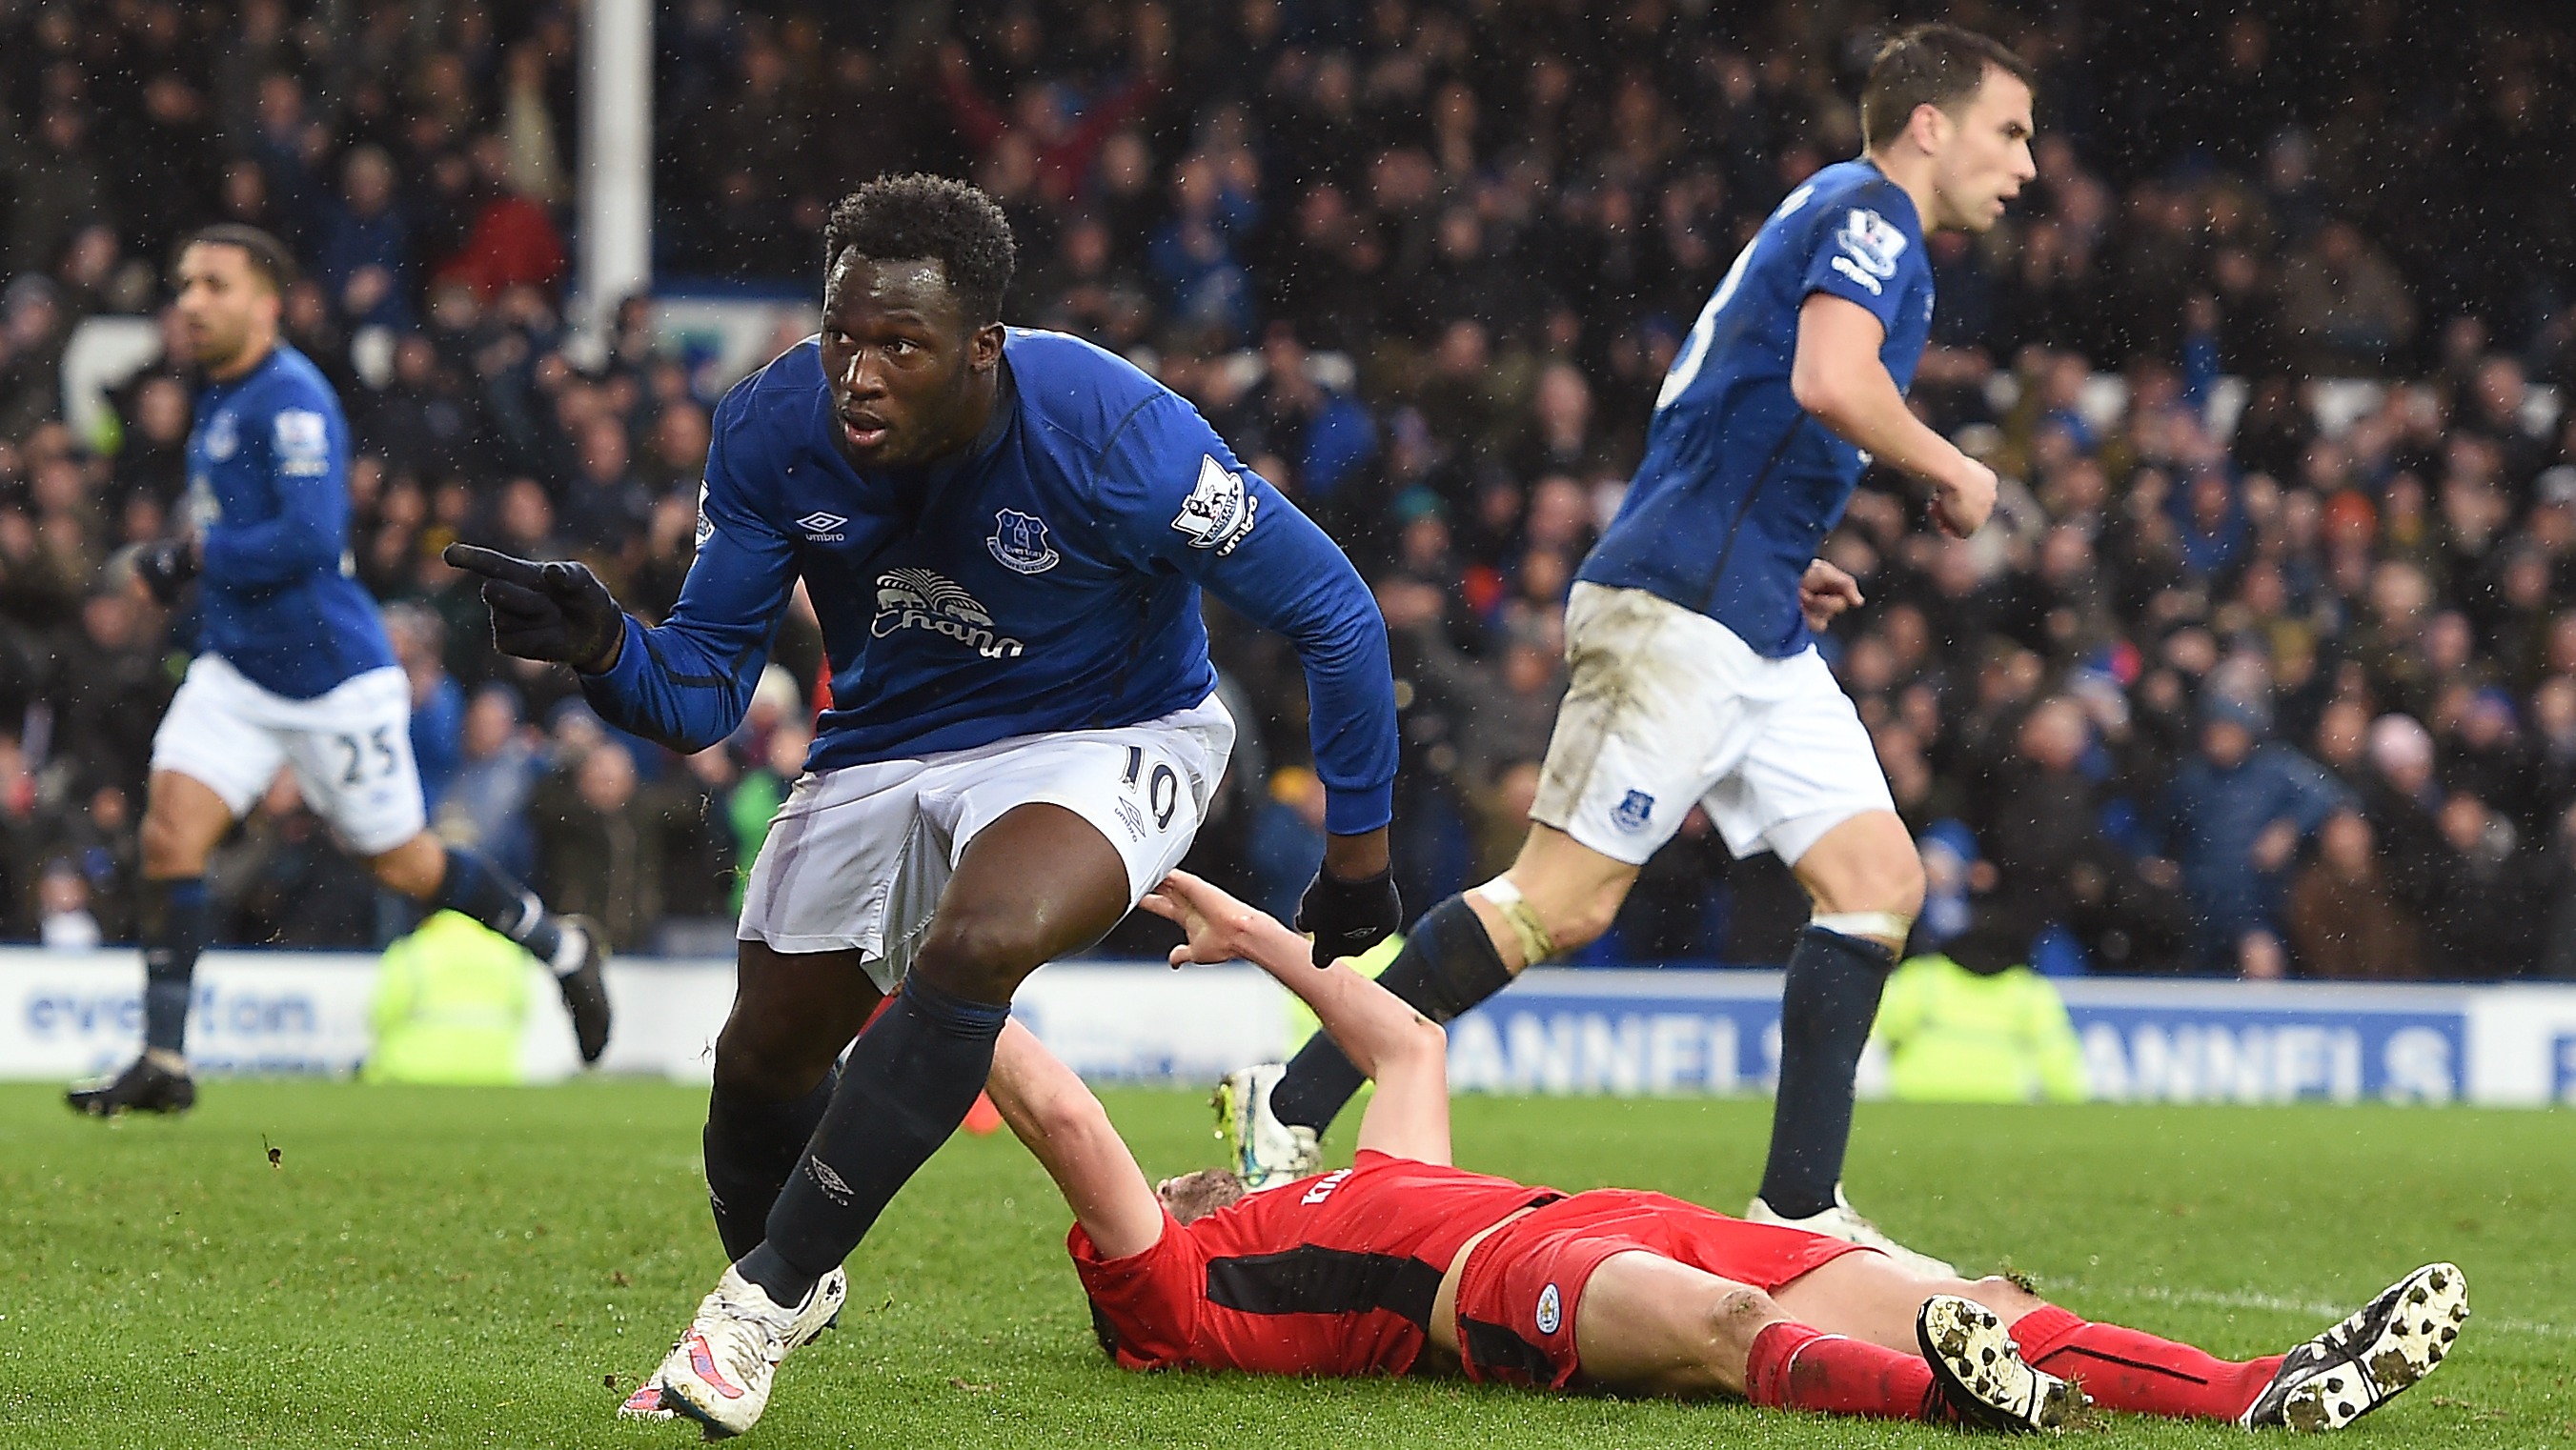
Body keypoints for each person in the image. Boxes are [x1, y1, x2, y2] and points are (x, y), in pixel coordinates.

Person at [448, 176, 1400, 1436]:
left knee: (977, 941)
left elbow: (1334, 610)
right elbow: (702, 691)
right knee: (759, 1070)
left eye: (901, 344)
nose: (858, 373)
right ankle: (799, 1264)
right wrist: (605, 647)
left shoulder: (1116, 433)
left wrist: (1357, 856)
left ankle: (754, 1306)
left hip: (1107, 730)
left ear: (982, 347)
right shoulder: (771, 427)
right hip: (884, 743)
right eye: (841, 335)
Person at [1227, 24, 2033, 1274]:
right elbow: (1828, 379)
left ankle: (1799, 1206)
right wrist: (1953, 469)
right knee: (1559, 900)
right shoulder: (1872, 213)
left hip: (1745, 608)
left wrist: (1773, 547)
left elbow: (1717, 399)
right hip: (1684, 609)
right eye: (2009, 131)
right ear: (1929, 125)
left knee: (1877, 877)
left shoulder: (1830, 213)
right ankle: (1284, 1103)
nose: (2025, 164)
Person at [947, 869, 2464, 1435]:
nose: (1181, 1171)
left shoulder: (1335, 1182)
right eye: (1163, 1182)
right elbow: (1065, 1116)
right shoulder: (1164, 1287)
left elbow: (1408, 1045)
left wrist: (1261, 935)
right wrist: (929, 969)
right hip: (1502, 1285)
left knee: (1970, 1293)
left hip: (1615, 1211)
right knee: (1729, 1330)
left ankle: (2254, 1389)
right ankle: (1968, 1406)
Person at [67, 225, 609, 1118]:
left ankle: (561, 949)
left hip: (329, 679)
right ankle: (164, 1056)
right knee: (170, 834)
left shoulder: (291, 399)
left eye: (213, 284)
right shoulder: (220, 394)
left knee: (402, 863)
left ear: (266, 305)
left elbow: (311, 539)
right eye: (185, 283)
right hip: (238, 672)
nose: (190, 301)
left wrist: (194, 555)